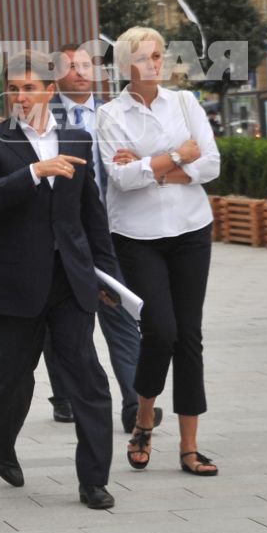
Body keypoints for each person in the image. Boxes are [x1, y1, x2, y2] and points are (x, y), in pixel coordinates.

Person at [0, 50, 121, 510]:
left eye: (29, 88)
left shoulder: (76, 139)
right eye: (13, 89)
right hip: (15, 281)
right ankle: (1, 438)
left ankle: (93, 480)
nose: (20, 96)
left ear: (49, 91)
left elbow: (92, 215)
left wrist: (108, 276)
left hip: (70, 280)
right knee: (14, 377)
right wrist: (34, 171)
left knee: (87, 377)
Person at [95, 27, 221, 478]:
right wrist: (175, 155)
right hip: (137, 235)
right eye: (146, 56)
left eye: (159, 55)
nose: (156, 62)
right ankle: (144, 417)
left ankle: (190, 447)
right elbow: (120, 179)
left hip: (191, 228)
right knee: (160, 331)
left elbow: (210, 163)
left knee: (189, 336)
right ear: (128, 65)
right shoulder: (110, 115)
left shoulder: (185, 103)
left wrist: (155, 167)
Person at [47, 40, 148, 433]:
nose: (80, 71)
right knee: (66, 326)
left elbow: (141, 157)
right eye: (71, 65)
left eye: (86, 64)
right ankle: (65, 394)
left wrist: (134, 160)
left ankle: (134, 404)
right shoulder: (43, 117)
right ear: (57, 75)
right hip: (65, 239)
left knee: (121, 316)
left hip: (112, 231)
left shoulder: (113, 114)